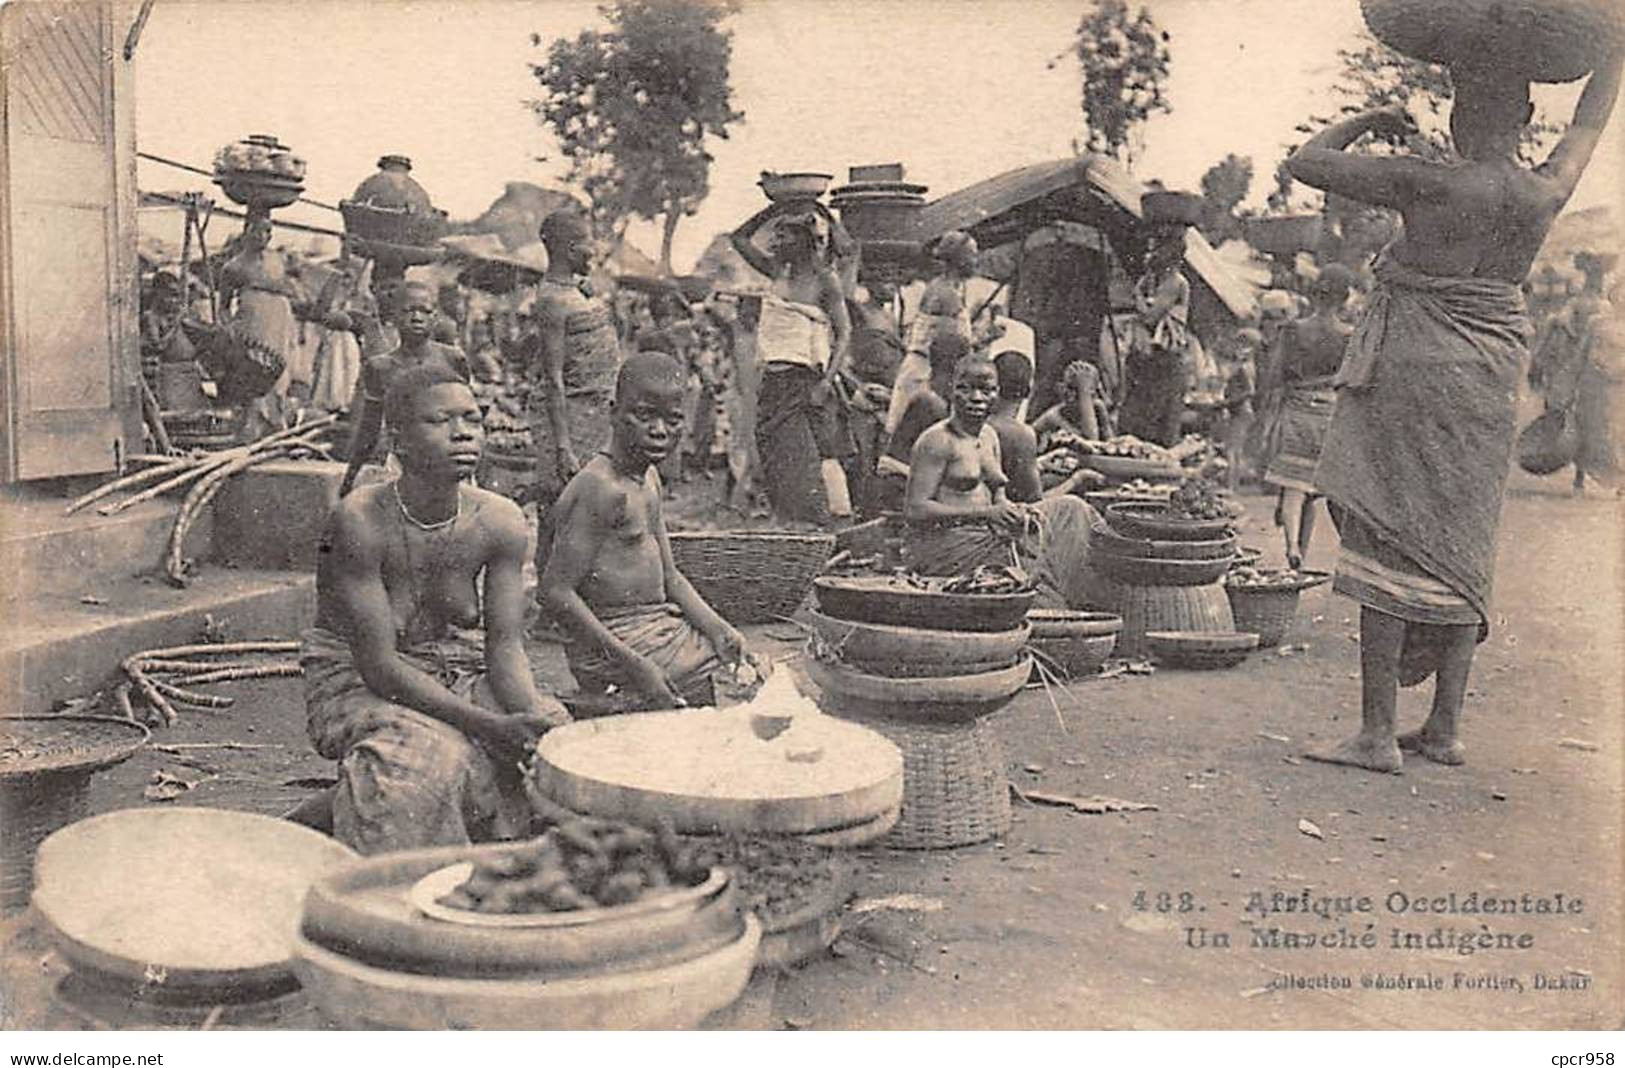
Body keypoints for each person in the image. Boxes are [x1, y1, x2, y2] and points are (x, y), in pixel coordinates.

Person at [1285, 53, 1622, 773]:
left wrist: (1371, 119)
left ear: (1455, 112)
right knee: (1460, 538)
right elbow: (1592, 118)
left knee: (1384, 527)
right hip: (1490, 373)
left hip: (1413, 368)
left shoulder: (1424, 179)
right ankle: (1442, 727)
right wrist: (1614, 49)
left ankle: (1376, 734)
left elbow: (1305, 161)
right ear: (1528, 116)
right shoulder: (1544, 191)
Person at [300, 364, 570, 854]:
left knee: (558, 746)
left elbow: (504, 649)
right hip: (357, 677)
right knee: (432, 759)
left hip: (458, 666)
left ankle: (340, 811)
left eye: (472, 418)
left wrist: (527, 718)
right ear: (398, 441)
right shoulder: (358, 521)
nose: (462, 432)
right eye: (440, 421)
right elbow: (380, 668)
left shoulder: (499, 520)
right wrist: (488, 726)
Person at [540, 352, 753, 711]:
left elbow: (670, 576)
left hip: (653, 627)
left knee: (750, 673)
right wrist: (636, 666)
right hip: (614, 640)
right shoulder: (601, 487)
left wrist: (720, 629)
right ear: (613, 411)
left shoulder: (647, 477)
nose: (658, 430)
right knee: (714, 691)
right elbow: (555, 592)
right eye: (644, 415)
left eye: (672, 420)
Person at [903, 352, 1099, 610]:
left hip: (987, 536)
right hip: (949, 548)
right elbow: (915, 509)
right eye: (966, 389)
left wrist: (1013, 513)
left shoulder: (989, 436)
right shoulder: (938, 440)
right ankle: (1066, 603)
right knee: (1044, 563)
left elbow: (998, 495)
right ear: (952, 389)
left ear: (997, 393)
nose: (976, 398)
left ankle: (1079, 602)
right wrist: (986, 515)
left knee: (1072, 510)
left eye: (986, 390)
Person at [730, 202, 855, 526]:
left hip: (806, 382)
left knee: (801, 462)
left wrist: (827, 382)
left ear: (802, 239)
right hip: (772, 382)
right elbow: (739, 237)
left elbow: (844, 333)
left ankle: (818, 530)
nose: (774, 242)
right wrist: (774, 208)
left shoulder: (824, 280)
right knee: (773, 459)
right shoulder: (776, 271)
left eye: (783, 235)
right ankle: (792, 530)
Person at [1260, 264, 1356, 569]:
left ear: (1315, 294)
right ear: (1344, 298)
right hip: (1330, 412)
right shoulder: (1348, 335)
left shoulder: (1294, 330)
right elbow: (1353, 379)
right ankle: (1350, 551)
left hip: (1298, 412)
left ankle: (1293, 546)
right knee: (1326, 490)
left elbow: (1275, 374)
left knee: (1293, 484)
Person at [338, 280, 472, 497]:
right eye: (408, 310)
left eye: (424, 311)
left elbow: (466, 414)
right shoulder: (380, 367)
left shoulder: (453, 359)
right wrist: (351, 475)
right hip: (402, 464)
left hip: (446, 458)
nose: (417, 317)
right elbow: (369, 427)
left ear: (435, 316)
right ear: (393, 316)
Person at [529, 210, 623, 511]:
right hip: (573, 419)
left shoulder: (578, 290)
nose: (594, 249)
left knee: (594, 506)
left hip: (598, 413)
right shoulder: (551, 300)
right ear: (570, 250)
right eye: (588, 241)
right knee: (564, 507)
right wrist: (563, 447)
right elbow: (553, 378)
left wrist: (592, 295)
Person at [887, 231, 977, 436]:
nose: (975, 260)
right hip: (926, 372)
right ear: (958, 258)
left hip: (925, 368)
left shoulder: (947, 289)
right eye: (972, 255)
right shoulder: (946, 295)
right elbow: (949, 346)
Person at [1116, 228, 1197, 446]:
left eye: (1156, 251)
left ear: (1170, 253)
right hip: (1148, 359)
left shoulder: (1175, 282)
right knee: (1137, 418)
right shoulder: (1150, 281)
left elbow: (1151, 317)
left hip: (1165, 359)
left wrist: (1137, 297)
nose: (1149, 256)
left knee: (1160, 421)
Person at [992, 351, 1105, 505]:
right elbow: (1034, 501)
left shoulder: (979, 422)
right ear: (1028, 391)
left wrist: (1041, 463)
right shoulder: (1023, 433)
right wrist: (1077, 480)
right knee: (1076, 504)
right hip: (1009, 511)